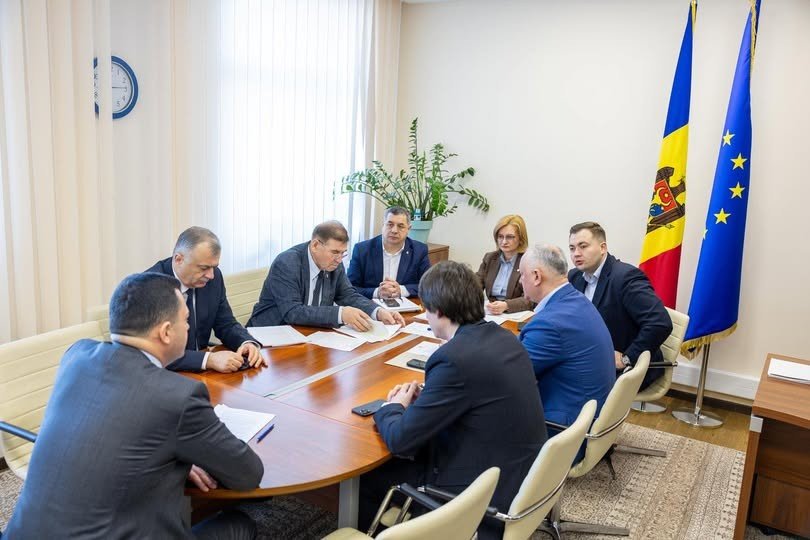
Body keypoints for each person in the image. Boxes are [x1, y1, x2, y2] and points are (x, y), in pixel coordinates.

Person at [4, 272, 263, 539]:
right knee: (241, 525)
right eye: (185, 320)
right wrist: (185, 457)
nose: (188, 328)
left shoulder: (77, 355)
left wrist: (172, 459)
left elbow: (113, 427)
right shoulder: (178, 396)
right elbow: (248, 475)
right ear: (165, 332)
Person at [360, 261, 547, 540]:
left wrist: (393, 408)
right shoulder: (504, 337)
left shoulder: (453, 358)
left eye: (426, 308)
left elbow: (401, 439)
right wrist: (432, 397)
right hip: (523, 477)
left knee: (369, 477)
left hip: (480, 495)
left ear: (439, 311)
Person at [518, 244, 615, 457]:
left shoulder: (550, 324)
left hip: (564, 435)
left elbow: (508, 378)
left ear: (536, 276)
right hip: (588, 420)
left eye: (521, 275)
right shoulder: (577, 301)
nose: (520, 281)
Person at [567, 221, 673, 390]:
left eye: (583, 246)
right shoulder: (575, 276)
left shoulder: (626, 277)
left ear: (603, 248)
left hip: (625, 366)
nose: (576, 254)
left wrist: (627, 358)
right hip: (589, 358)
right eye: (572, 248)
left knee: (566, 388)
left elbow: (660, 323)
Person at [147, 226, 265, 373]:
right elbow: (156, 352)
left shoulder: (213, 279)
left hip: (205, 372)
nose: (211, 275)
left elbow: (226, 324)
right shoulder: (151, 287)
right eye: (204, 268)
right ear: (179, 259)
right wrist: (208, 359)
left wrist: (246, 342)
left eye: (214, 267)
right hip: (167, 375)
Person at [248, 221, 405, 329]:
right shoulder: (288, 262)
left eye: (343, 253)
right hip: (271, 335)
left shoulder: (335, 263)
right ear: (315, 245)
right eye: (335, 252)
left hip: (308, 334)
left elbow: (348, 296)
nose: (339, 259)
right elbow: (292, 312)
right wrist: (341, 313)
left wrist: (378, 312)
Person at [347, 206, 431, 299]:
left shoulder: (419, 250)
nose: (394, 230)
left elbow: (429, 285)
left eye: (400, 226)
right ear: (383, 225)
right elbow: (350, 288)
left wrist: (401, 290)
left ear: (408, 228)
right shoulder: (362, 250)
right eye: (390, 224)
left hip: (406, 306)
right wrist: (377, 292)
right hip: (371, 307)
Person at [476, 214, 535, 314]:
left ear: (521, 239)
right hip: (490, 313)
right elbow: (474, 285)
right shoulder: (490, 258)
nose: (504, 241)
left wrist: (506, 305)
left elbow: (531, 299)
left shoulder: (529, 261)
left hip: (516, 315)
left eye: (510, 237)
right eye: (500, 237)